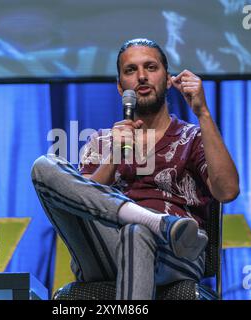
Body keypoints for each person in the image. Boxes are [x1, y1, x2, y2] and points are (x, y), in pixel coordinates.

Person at [31, 38, 239, 300]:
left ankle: (150, 225)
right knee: (44, 167)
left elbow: (228, 191)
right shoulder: (102, 141)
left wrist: (203, 113)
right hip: (107, 250)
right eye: (131, 70)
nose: (141, 76)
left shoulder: (193, 138)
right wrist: (114, 155)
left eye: (151, 67)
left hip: (174, 253)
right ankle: (153, 221)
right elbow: (80, 206)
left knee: (136, 232)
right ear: (120, 87)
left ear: (167, 79)